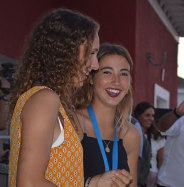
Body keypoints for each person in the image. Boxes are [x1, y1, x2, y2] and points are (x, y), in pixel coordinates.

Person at [8, 8, 101, 186]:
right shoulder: (45, 99)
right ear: (66, 50)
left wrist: (90, 183)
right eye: (91, 53)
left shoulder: (43, 98)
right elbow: (29, 183)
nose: (95, 65)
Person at [75, 43, 140, 187]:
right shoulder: (72, 122)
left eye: (123, 74)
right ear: (91, 79)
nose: (116, 81)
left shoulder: (131, 134)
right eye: (107, 72)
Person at [133, 102, 165, 187]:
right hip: (134, 176)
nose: (151, 119)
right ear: (138, 116)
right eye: (147, 115)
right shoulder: (131, 135)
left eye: (152, 115)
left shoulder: (157, 137)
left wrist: (158, 180)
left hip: (151, 178)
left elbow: (161, 161)